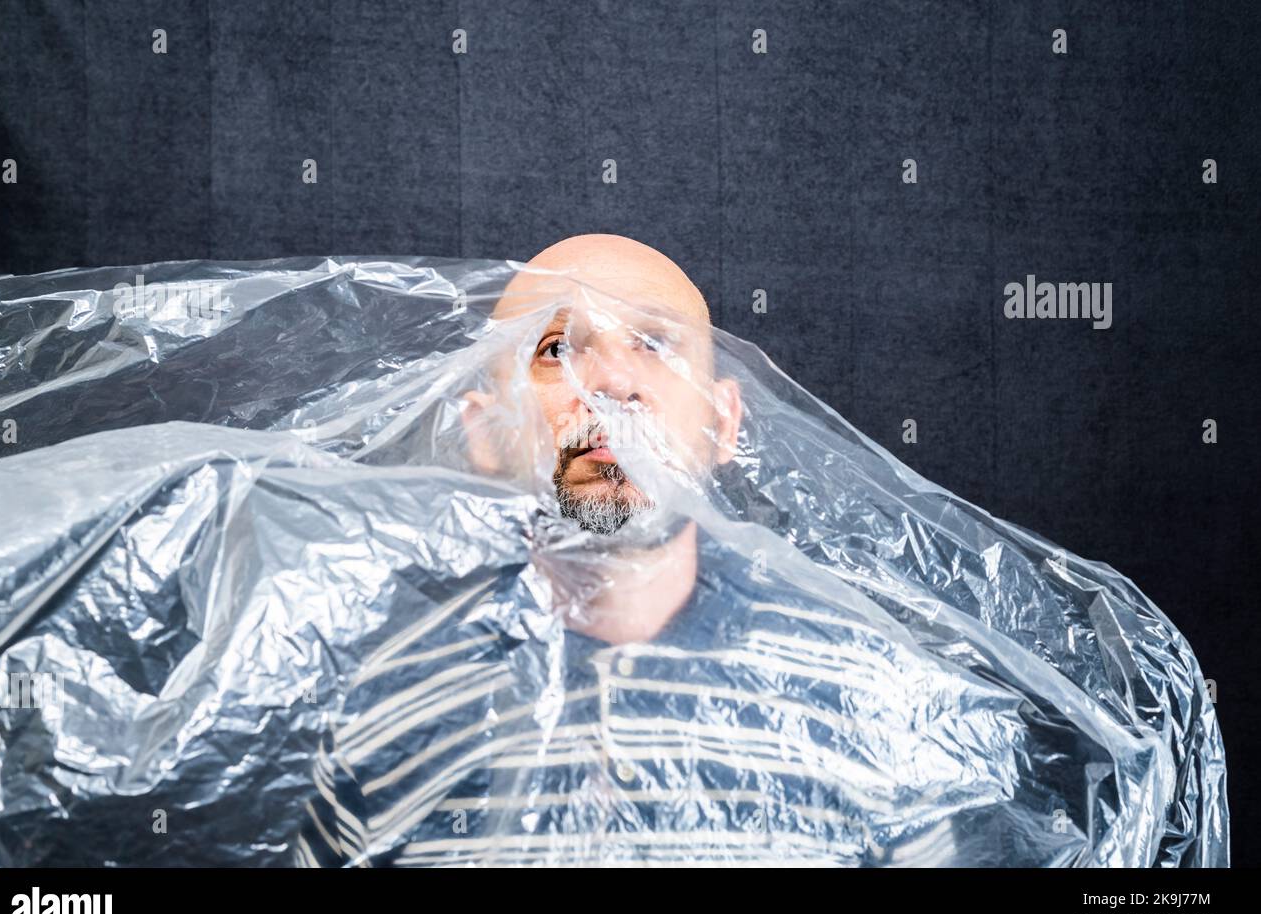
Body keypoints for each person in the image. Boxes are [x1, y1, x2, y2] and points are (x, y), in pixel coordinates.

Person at [294, 234, 1005, 866]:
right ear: (484, 431)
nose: (610, 384)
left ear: (725, 422)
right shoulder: (382, 704)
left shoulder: (871, 694)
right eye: (556, 349)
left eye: (655, 343)